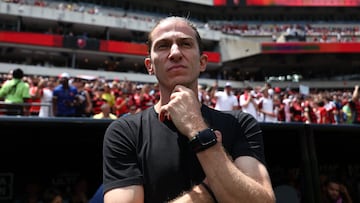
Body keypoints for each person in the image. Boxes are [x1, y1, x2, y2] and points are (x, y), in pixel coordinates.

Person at [102, 16, 275, 203]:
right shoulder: (125, 133)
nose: (175, 53)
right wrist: (211, 189)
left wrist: (196, 127)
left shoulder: (240, 124)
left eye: (185, 44)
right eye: (163, 46)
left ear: (202, 62)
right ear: (150, 66)